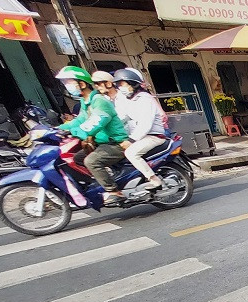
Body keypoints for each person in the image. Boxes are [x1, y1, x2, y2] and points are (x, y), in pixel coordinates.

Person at [56, 65, 130, 205]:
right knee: (76, 157)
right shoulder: (86, 102)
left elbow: (96, 123)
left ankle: (114, 191)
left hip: (116, 143)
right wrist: (58, 128)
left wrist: (75, 132)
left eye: (69, 83)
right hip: (102, 143)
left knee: (91, 161)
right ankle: (102, 180)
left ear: (82, 83)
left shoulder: (99, 101)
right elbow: (79, 120)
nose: (67, 86)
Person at [112, 68, 168, 192]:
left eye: (122, 84)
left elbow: (145, 124)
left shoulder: (145, 99)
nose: (120, 87)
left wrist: (131, 140)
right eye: (118, 85)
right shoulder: (129, 100)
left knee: (131, 153)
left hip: (153, 136)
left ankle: (154, 180)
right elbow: (121, 117)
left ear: (132, 84)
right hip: (140, 136)